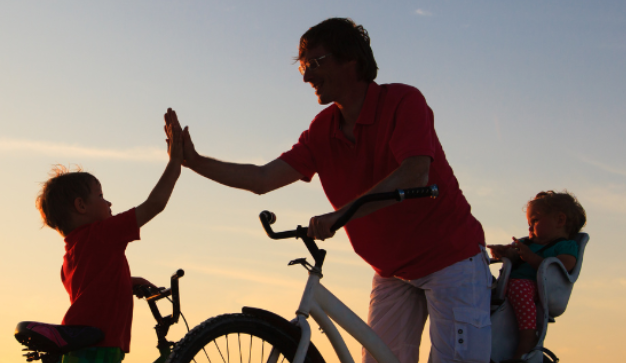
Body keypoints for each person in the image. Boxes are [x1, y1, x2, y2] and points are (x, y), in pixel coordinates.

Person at [168, 18, 491, 363]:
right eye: (303, 67)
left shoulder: (402, 101)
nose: (307, 76)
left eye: (316, 63)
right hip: (391, 271)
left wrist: (339, 215)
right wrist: (195, 161)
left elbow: (415, 172)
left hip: (450, 260)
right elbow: (262, 179)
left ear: (351, 60)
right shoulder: (323, 129)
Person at [34, 109, 184, 363]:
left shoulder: (71, 257)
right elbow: (154, 204)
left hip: (83, 347)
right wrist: (175, 162)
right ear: (81, 206)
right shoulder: (103, 235)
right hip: (98, 347)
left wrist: (129, 280)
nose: (109, 202)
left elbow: (96, 289)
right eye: (101, 196)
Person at [488, 191, 586, 362]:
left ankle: (528, 337)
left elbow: (562, 267)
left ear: (560, 221)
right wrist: (504, 253)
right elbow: (513, 257)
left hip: (535, 288)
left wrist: (531, 257)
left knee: (519, 287)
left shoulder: (565, 246)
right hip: (508, 286)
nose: (529, 227)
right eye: (529, 222)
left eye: (535, 221)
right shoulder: (528, 244)